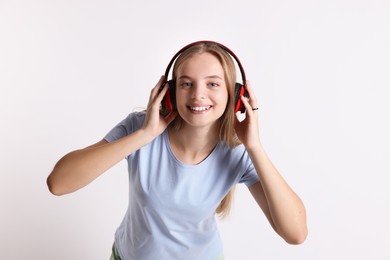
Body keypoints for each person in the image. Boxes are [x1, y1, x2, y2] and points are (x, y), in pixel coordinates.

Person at [47, 41, 308, 260]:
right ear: (168, 92)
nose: (198, 95)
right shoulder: (139, 128)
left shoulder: (237, 152)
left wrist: (255, 147)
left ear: (236, 95)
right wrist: (144, 135)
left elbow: (296, 233)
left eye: (213, 84)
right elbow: (58, 183)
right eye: (186, 84)